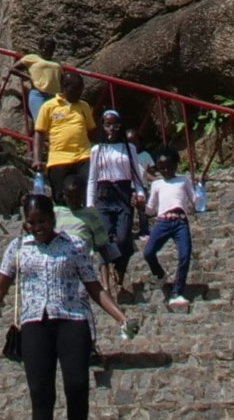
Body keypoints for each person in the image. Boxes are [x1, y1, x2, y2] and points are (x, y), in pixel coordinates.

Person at [0, 192, 119, 420]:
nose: (38, 227)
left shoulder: (73, 246)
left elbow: (94, 287)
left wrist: (120, 316)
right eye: (32, 222)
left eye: (43, 221)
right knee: (41, 394)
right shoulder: (18, 248)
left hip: (71, 320)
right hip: (35, 323)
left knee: (76, 386)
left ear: (53, 218)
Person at [84, 109, 142, 277]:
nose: (111, 129)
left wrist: (140, 194)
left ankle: (119, 265)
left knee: (123, 237)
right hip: (104, 194)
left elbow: (136, 175)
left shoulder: (128, 147)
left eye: (115, 125)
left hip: (123, 193)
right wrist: (90, 203)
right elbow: (92, 178)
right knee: (106, 234)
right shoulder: (97, 149)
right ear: (102, 126)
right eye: (108, 125)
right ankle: (110, 269)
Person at [34, 71, 96, 214]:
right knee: (61, 197)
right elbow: (39, 133)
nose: (79, 92)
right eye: (75, 89)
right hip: (59, 159)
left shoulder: (84, 106)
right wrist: (37, 159)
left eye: (81, 89)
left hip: (84, 156)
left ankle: (89, 224)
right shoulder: (49, 107)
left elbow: (92, 130)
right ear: (64, 87)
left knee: (88, 192)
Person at [138, 157, 199, 303]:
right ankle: (159, 273)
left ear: (175, 166)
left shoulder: (183, 180)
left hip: (180, 222)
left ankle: (177, 291)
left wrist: (201, 191)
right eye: (162, 168)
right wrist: (140, 206)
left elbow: (195, 200)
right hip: (162, 222)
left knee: (184, 254)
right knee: (148, 252)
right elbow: (150, 209)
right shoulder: (157, 184)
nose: (166, 171)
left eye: (169, 167)